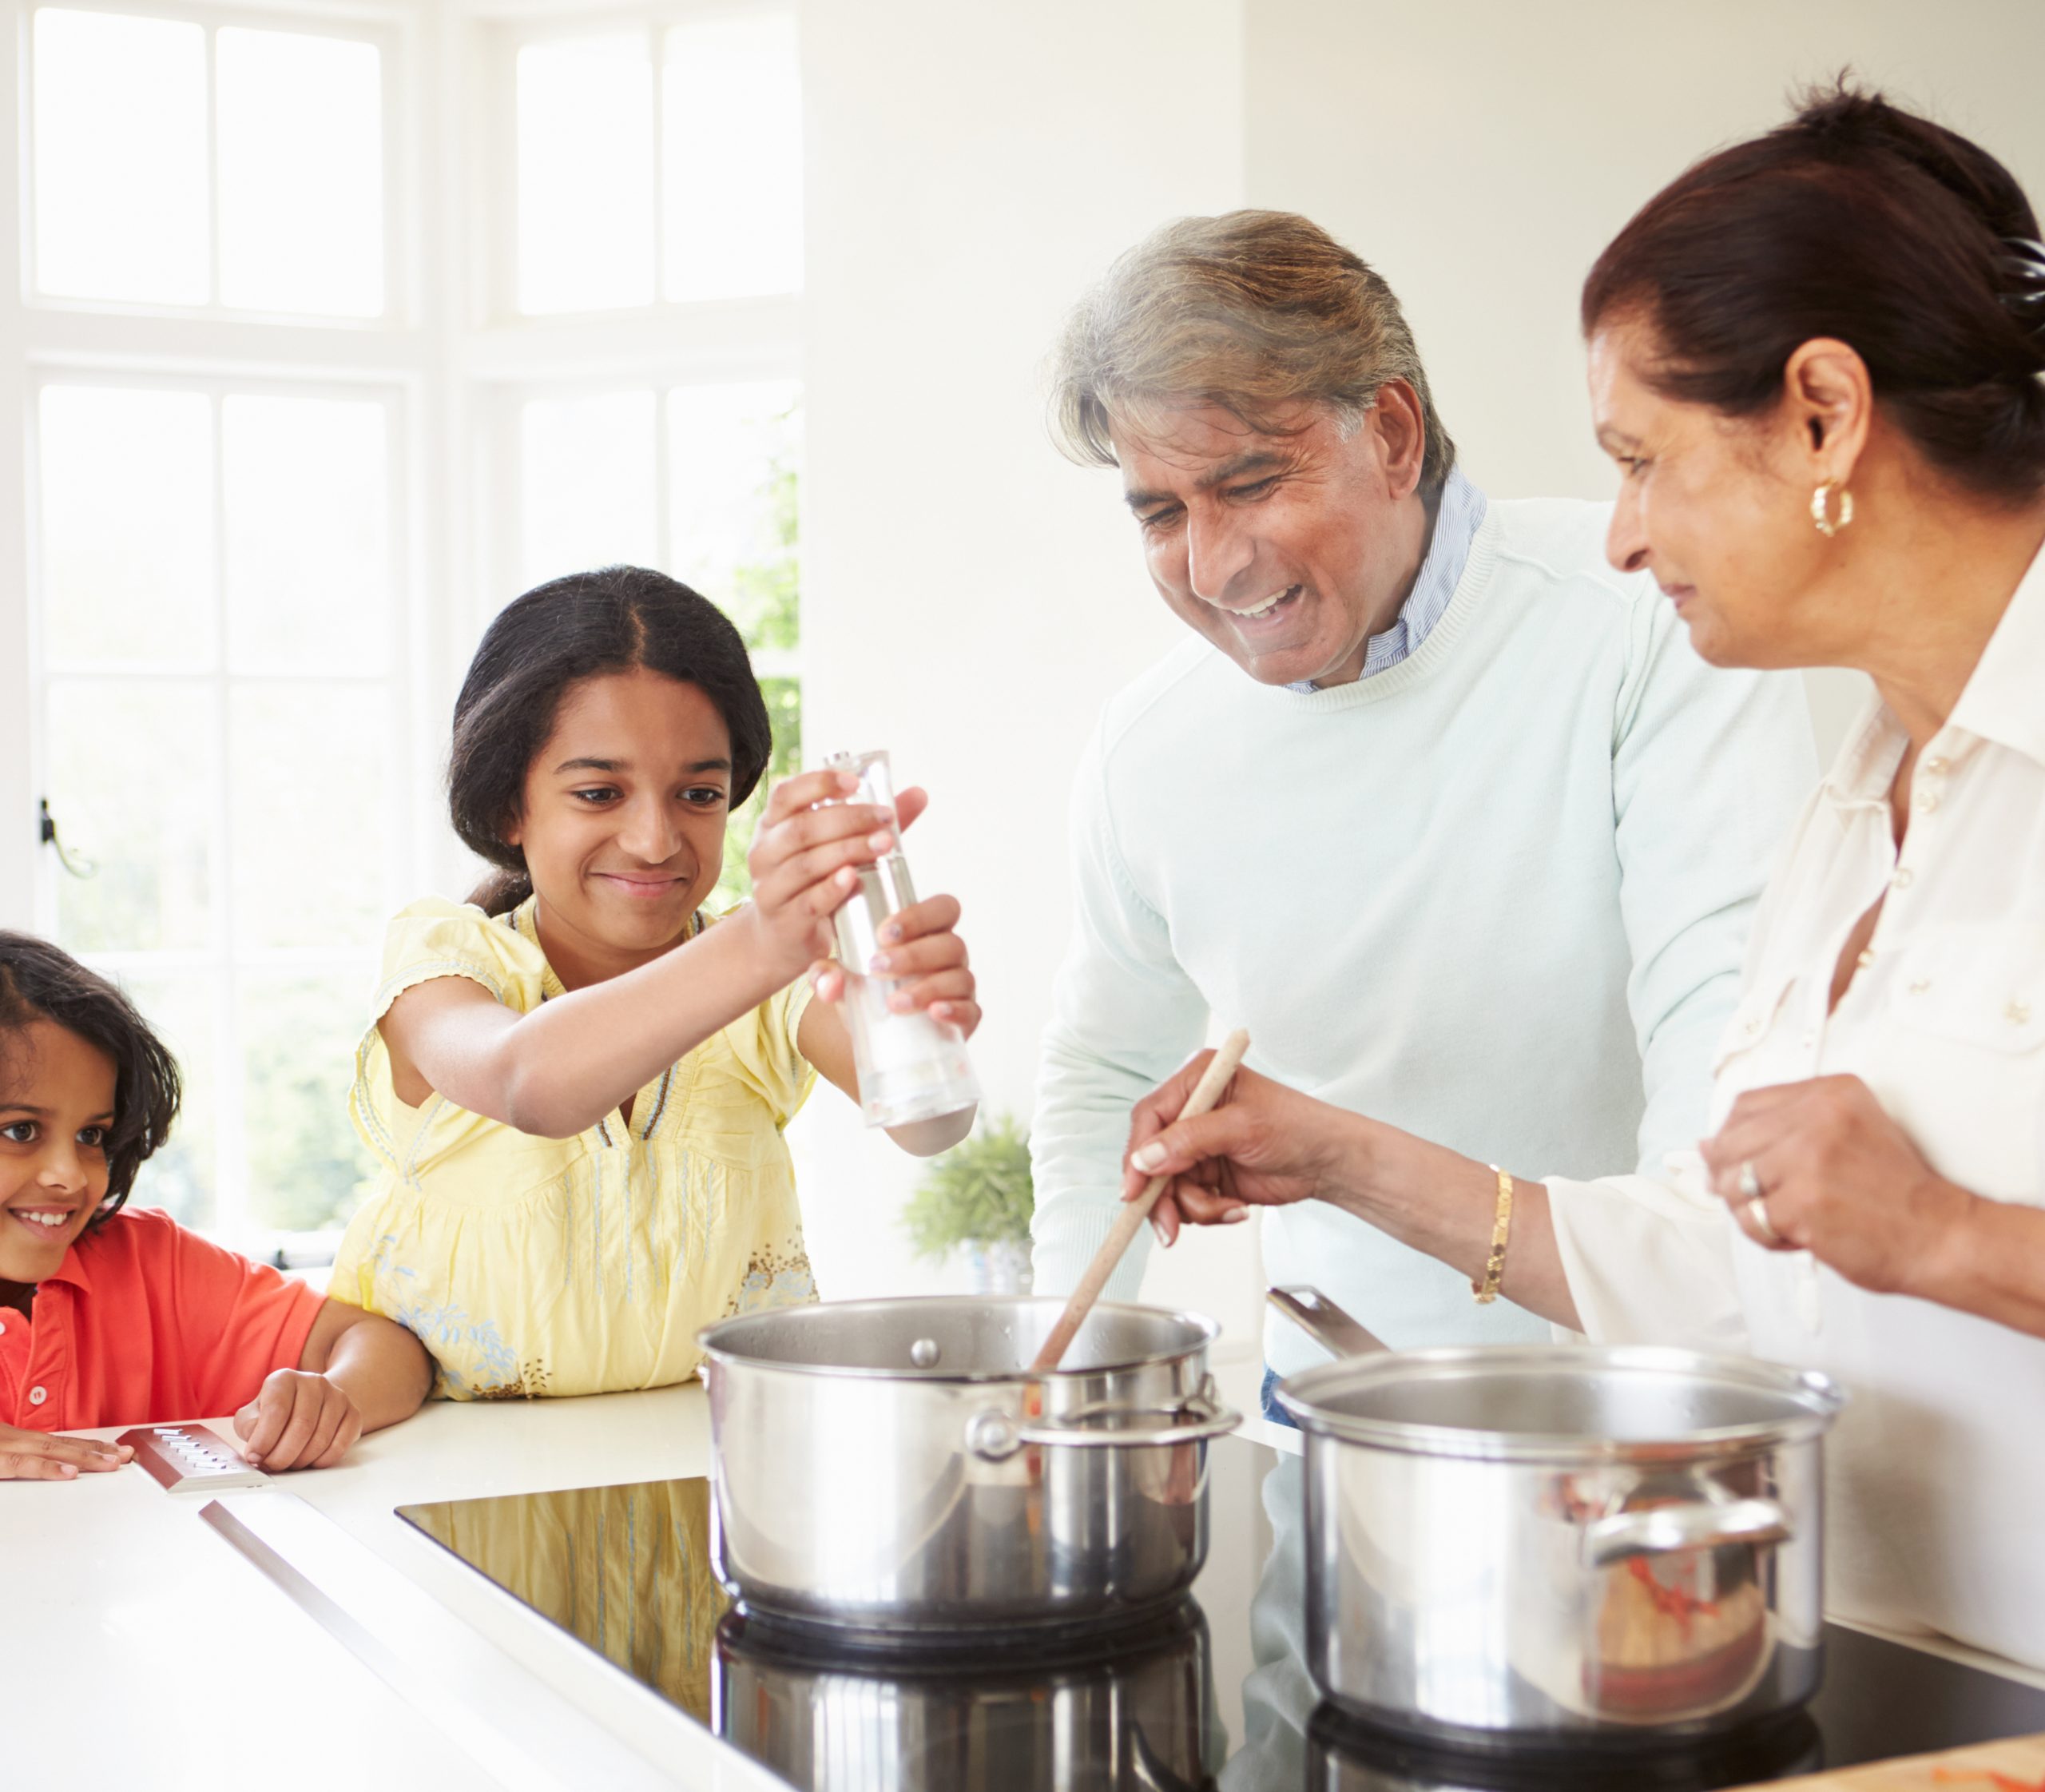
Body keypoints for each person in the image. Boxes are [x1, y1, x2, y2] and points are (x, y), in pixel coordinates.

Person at [1121, 89, 2045, 1667]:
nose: (1618, 536)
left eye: (1643, 459)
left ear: (1821, 412)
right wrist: (1331, 1152)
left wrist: (1945, 1230)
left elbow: (1888, 1228)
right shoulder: (1856, 805)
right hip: (1881, 1702)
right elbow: (1723, 1275)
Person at [1028, 210, 1817, 1409]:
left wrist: (1676, 1409)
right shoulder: (1151, 747)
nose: (1212, 564)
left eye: (1249, 481)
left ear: (1391, 432)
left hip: (1631, 1428)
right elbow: (1103, 1073)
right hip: (1336, 1444)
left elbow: (1719, 1123)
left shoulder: (1645, 629)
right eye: (1159, 512)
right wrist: (1062, 1389)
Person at [328, 566, 979, 1400]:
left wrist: (915, 1013)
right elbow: (527, 1081)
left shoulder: (778, 975)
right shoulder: (446, 958)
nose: (653, 838)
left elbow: (932, 1124)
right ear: (508, 808)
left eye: (698, 793)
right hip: (460, 1464)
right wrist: (766, 940)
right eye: (599, 793)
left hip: (708, 1458)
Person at [0, 932, 431, 1480]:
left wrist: (330, 1399)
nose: (68, 1174)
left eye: (91, 1134)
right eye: (21, 1129)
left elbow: (387, 1346)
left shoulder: (151, 1265)